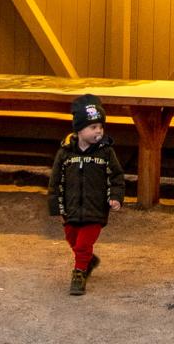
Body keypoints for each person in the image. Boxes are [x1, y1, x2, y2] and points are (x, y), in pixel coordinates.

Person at [47, 93, 126, 296]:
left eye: (100, 127)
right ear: (79, 129)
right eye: (93, 127)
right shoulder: (65, 153)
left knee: (83, 244)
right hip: (71, 207)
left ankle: (79, 272)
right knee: (72, 238)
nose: (98, 131)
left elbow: (116, 176)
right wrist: (55, 204)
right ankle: (88, 259)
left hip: (95, 209)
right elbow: (55, 180)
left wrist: (116, 197)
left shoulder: (105, 152)